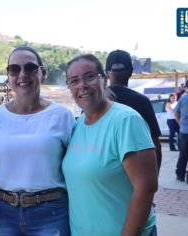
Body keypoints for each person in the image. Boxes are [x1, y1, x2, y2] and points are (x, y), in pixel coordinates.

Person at [0, 46, 75, 236]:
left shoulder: (62, 116)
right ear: (8, 76)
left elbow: (77, 166)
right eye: (14, 69)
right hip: (4, 212)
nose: (22, 74)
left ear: (43, 73)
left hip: (51, 212)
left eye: (30, 67)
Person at [62, 54, 158, 236]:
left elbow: (146, 187)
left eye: (89, 77)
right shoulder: (79, 124)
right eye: (74, 81)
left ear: (104, 80)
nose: (82, 85)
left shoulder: (126, 120)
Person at [106, 49, 162, 172]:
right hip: (135, 176)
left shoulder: (95, 102)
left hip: (101, 177)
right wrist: (153, 181)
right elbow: (155, 145)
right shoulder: (142, 102)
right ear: (131, 72)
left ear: (106, 73)